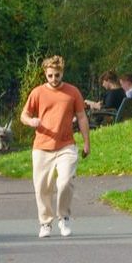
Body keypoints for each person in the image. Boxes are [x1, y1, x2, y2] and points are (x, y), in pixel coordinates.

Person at [20, 55, 91, 238]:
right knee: (42, 187)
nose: (54, 79)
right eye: (50, 75)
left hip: (66, 145)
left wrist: (86, 142)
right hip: (42, 147)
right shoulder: (37, 93)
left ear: (62, 73)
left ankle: (64, 217)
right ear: (45, 74)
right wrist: (31, 121)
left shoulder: (72, 92)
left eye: (57, 75)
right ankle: (45, 223)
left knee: (65, 181)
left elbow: (82, 117)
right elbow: (24, 115)